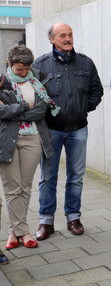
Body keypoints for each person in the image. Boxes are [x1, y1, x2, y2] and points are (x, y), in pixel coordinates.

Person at [33, 23, 103, 240]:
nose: (67, 38)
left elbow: (97, 91)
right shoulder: (40, 65)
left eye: (70, 35)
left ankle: (73, 217)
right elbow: (34, 95)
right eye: (62, 35)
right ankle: (46, 221)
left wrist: (84, 107)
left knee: (76, 177)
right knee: (48, 177)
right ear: (52, 39)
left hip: (78, 129)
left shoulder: (86, 62)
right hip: (52, 130)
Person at [0, 46, 59, 256]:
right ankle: (23, 232)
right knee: (11, 188)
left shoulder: (39, 80)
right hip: (7, 139)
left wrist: (13, 111)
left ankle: (13, 233)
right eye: (19, 69)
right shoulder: (2, 82)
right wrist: (25, 106)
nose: (24, 73)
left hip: (34, 138)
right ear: (9, 65)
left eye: (27, 69)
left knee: (25, 187)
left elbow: (41, 110)